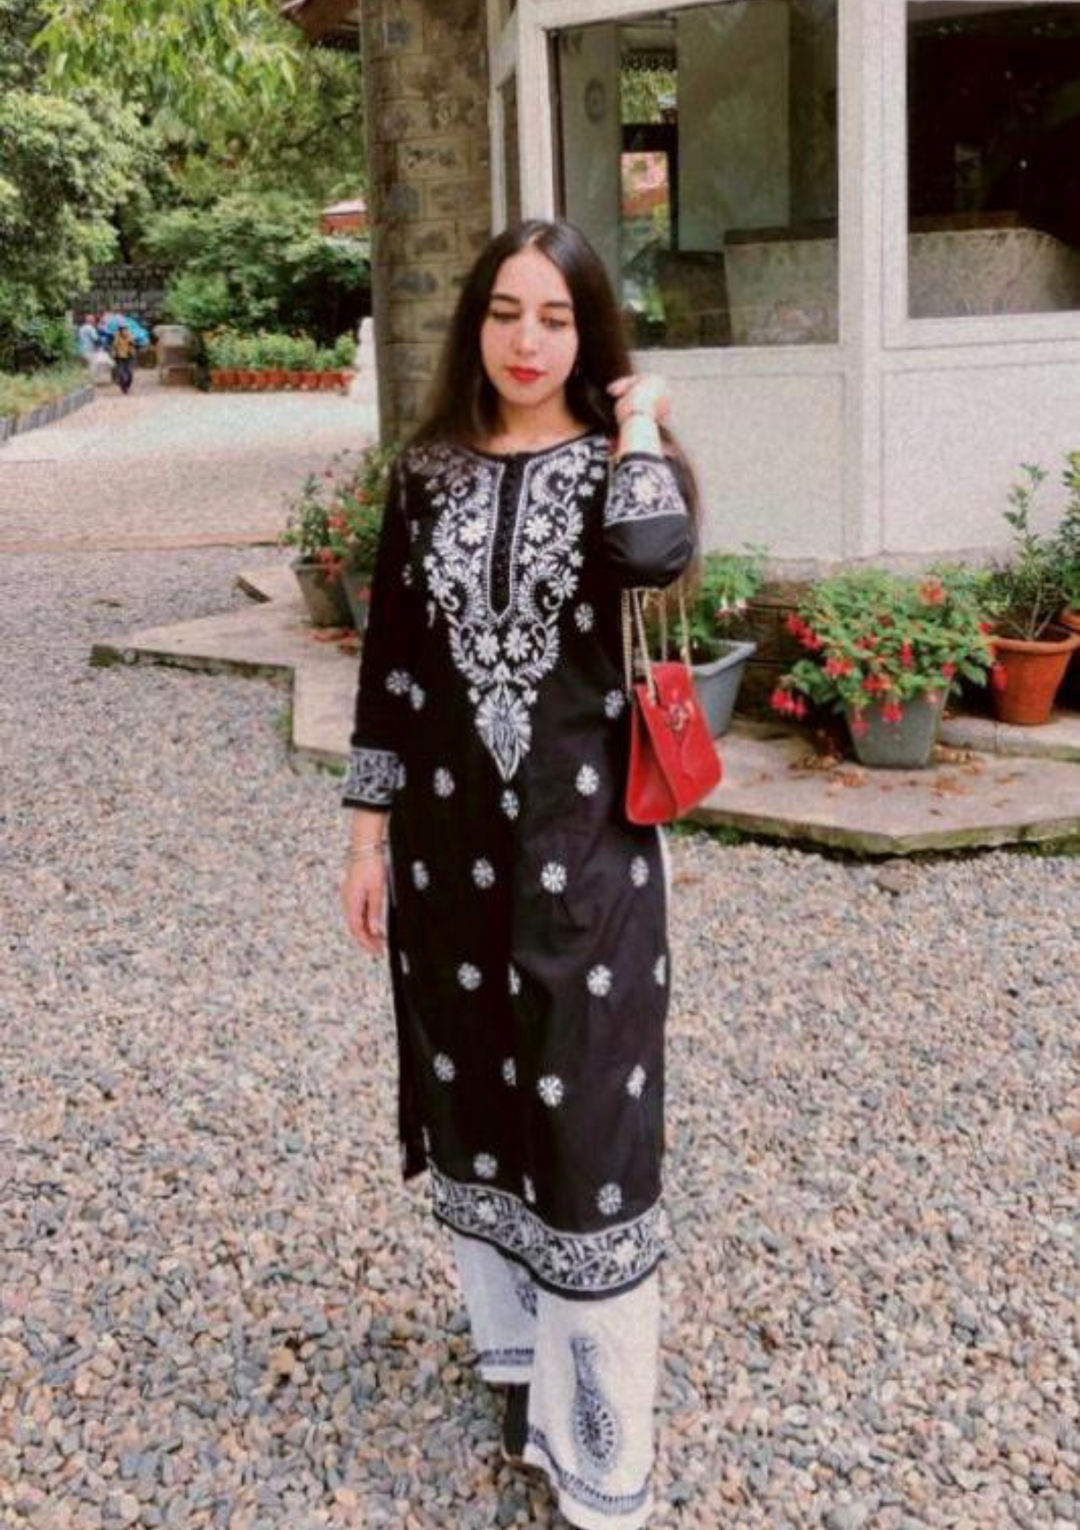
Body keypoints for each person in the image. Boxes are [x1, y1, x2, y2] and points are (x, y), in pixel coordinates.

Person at [339, 218, 698, 1530]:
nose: (527, 340)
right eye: (505, 312)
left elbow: (655, 559)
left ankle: (600, 1445)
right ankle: (517, 1362)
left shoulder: (621, 467)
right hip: (448, 860)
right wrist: (367, 835)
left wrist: (639, 424)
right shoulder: (426, 473)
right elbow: (391, 658)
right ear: (475, 324)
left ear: (588, 331)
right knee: (479, 1092)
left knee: (590, 1120)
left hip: (588, 855)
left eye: (555, 316)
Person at [111, 320, 136, 395]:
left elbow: (132, 344)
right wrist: (114, 354)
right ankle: (123, 387)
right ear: (120, 330)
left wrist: (131, 347)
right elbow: (114, 347)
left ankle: (127, 386)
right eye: (123, 329)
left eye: (125, 329)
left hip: (128, 356)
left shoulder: (130, 335)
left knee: (130, 373)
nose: (124, 331)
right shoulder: (116, 336)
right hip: (119, 357)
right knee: (121, 374)